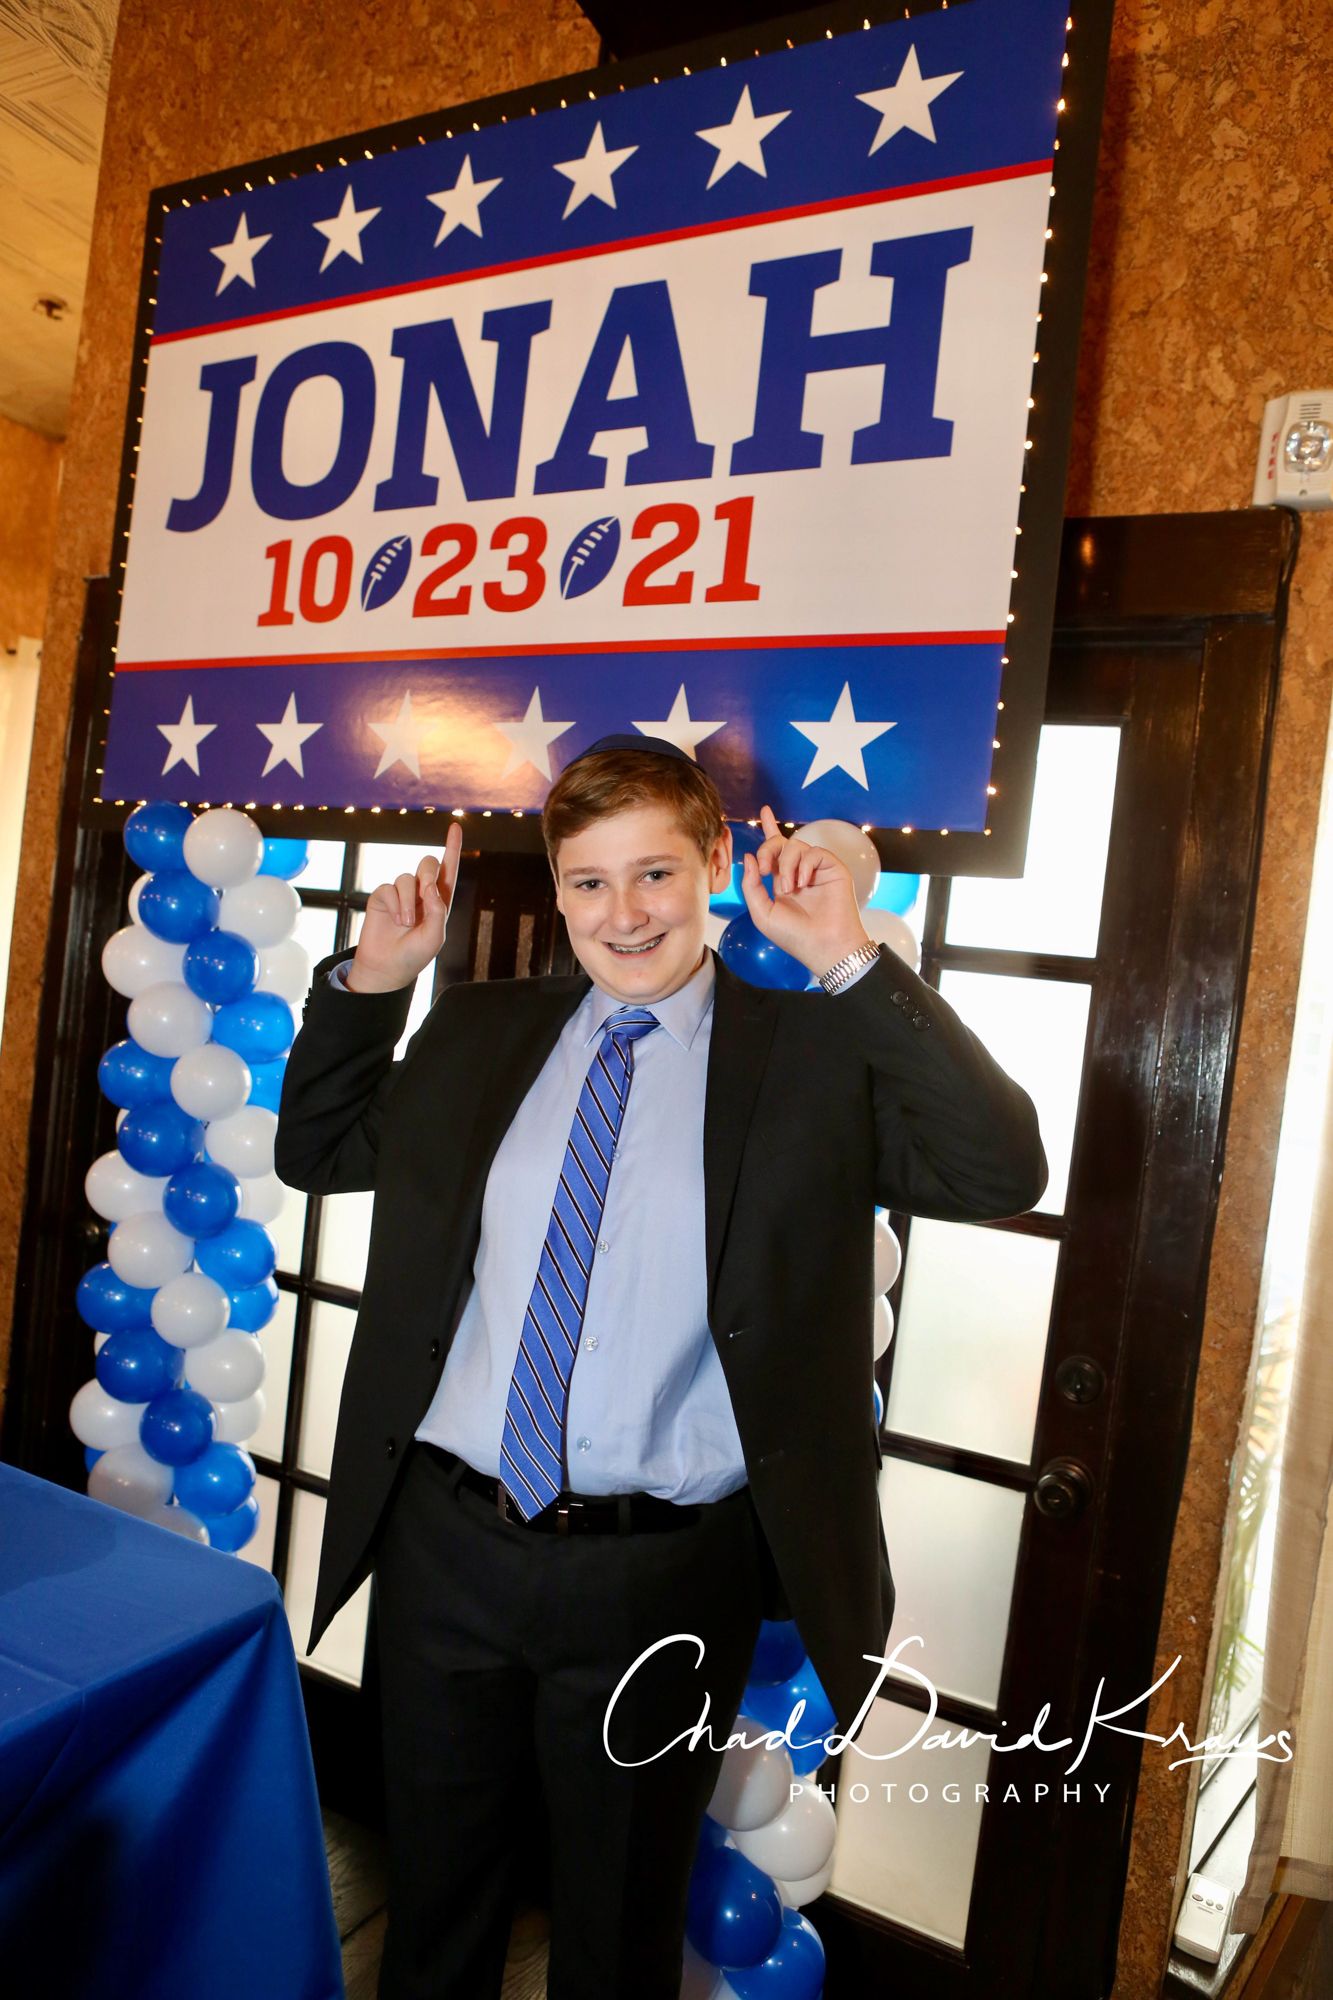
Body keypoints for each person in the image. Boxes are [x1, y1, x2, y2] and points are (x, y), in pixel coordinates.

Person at [274, 735, 1048, 2000]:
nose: (621, 914)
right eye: (588, 881)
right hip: (449, 1548)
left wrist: (845, 956)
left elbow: (998, 1170)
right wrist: (372, 979)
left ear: (713, 868)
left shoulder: (805, 1054)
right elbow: (316, 1148)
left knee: (618, 1936)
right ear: (559, 890)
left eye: (653, 875)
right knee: (435, 1917)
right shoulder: (478, 1029)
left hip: (663, 1574)